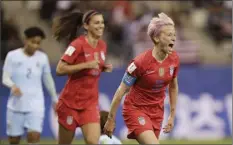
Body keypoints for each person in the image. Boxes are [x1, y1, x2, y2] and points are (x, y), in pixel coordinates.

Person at [104, 12, 180, 144]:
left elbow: (173, 86)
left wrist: (172, 115)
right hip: (136, 110)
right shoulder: (140, 63)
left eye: (174, 35)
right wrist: (110, 119)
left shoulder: (174, 59)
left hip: (157, 112)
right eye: (169, 35)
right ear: (156, 38)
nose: (173, 38)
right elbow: (120, 91)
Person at [52, 10, 113, 144]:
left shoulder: (102, 46)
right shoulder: (77, 45)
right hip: (70, 104)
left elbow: (93, 67)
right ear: (86, 26)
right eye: (96, 23)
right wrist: (85, 65)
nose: (101, 26)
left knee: (93, 141)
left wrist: (102, 67)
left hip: (89, 105)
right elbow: (59, 69)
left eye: (102, 22)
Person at [2, 27, 58, 144]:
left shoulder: (42, 58)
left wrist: (54, 99)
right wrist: (13, 86)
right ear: (25, 40)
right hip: (16, 106)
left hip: (36, 105)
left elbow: (48, 80)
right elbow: (5, 78)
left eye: (38, 43)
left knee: (34, 137)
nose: (36, 46)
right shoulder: (12, 56)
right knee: (14, 140)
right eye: (33, 42)